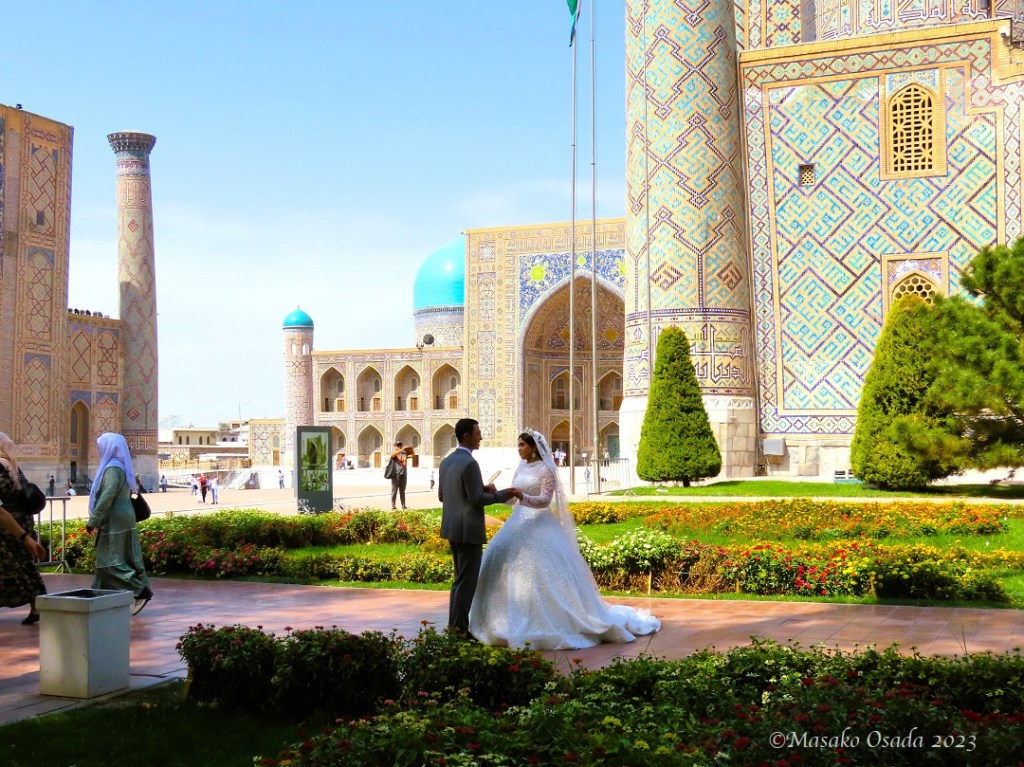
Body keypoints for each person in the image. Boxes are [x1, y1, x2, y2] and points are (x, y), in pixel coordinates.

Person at [469, 429, 661, 650]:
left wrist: (523, 496)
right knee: (501, 559)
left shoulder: (546, 469)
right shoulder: (521, 467)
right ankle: (499, 619)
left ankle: (550, 620)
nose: (519, 449)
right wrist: (498, 493)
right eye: (518, 445)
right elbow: (514, 500)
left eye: (522, 445)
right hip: (518, 522)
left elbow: (543, 501)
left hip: (540, 525)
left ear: (533, 448)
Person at [438, 418, 517, 634]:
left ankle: (454, 627)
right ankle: (460, 630)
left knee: (459, 581)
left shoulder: (447, 461)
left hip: (452, 528)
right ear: (466, 436)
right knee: (467, 582)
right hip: (468, 530)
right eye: (478, 433)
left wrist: (480, 487)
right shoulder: (470, 463)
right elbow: (476, 500)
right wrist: (503, 494)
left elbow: (443, 495)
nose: (480, 437)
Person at [86, 432, 153, 616]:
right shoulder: (120, 467)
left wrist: (94, 520)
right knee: (125, 558)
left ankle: (140, 591)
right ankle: (99, 597)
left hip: (115, 518)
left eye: (101, 446)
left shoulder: (113, 469)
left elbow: (108, 496)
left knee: (110, 562)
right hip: (124, 515)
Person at [0, 432, 48, 624]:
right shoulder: (12, 466)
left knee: (13, 566)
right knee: (24, 564)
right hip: (22, 521)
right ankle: (38, 605)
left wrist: (24, 537)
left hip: (8, 525)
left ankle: (38, 605)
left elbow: (1, 508)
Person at [389, 441, 409, 510]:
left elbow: (404, 462)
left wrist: (404, 456)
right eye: (398, 445)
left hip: (403, 474)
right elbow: (393, 455)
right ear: (395, 446)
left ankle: (403, 505)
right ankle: (393, 505)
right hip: (396, 475)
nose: (399, 446)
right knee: (394, 491)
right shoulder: (394, 453)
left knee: (402, 491)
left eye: (400, 445)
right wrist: (402, 449)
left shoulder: (402, 453)